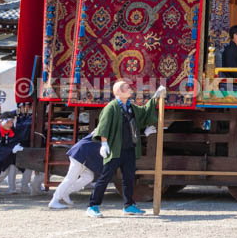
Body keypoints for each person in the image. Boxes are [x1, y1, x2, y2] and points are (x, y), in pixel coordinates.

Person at [86, 81, 165, 217]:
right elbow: (104, 125)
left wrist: (155, 98)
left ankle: (129, 206)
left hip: (129, 149)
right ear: (119, 92)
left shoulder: (130, 107)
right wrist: (104, 144)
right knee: (105, 178)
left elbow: (144, 112)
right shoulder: (111, 107)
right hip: (115, 149)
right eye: (127, 88)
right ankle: (92, 206)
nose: (130, 89)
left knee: (129, 178)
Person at [49, 133, 103, 209]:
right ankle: (54, 200)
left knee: (88, 177)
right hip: (80, 153)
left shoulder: (104, 129)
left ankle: (66, 192)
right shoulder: (104, 129)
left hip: (83, 154)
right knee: (71, 178)